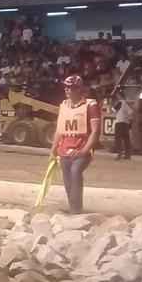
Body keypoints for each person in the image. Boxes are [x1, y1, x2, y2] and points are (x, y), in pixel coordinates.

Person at [51, 75, 101, 214]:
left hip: (82, 147)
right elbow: (59, 129)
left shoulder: (90, 105)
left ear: (79, 89)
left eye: (71, 87)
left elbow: (95, 131)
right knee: (67, 177)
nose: (67, 90)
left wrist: (85, 150)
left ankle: (76, 209)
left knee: (75, 172)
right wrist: (53, 148)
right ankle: (73, 206)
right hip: (65, 147)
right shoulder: (64, 105)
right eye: (66, 87)